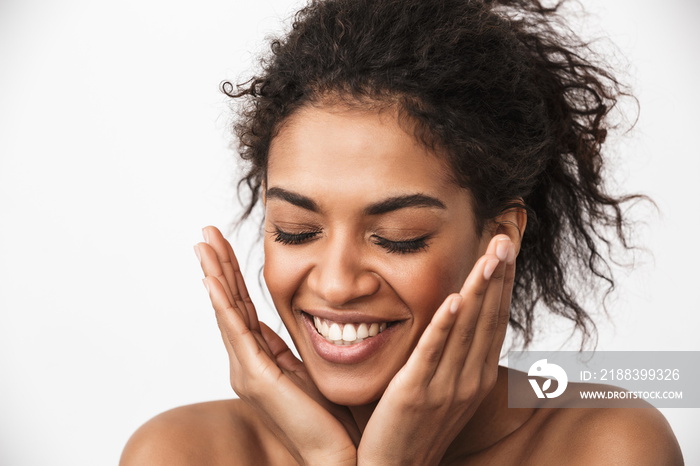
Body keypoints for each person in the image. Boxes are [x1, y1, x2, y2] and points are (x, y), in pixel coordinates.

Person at [120, 0, 683, 464]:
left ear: (499, 240)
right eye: (295, 231)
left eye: (398, 236)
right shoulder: (183, 452)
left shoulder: (607, 446)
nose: (337, 285)